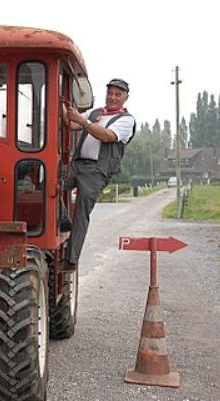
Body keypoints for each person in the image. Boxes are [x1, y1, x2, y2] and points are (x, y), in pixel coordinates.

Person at [61, 78, 136, 271]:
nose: (112, 97)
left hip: (97, 171)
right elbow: (72, 123)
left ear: (125, 98)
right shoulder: (95, 112)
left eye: (117, 94)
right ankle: (63, 220)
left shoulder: (126, 120)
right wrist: (62, 106)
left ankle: (71, 260)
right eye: (110, 93)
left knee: (81, 213)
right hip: (77, 164)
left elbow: (106, 135)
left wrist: (83, 121)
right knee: (50, 184)